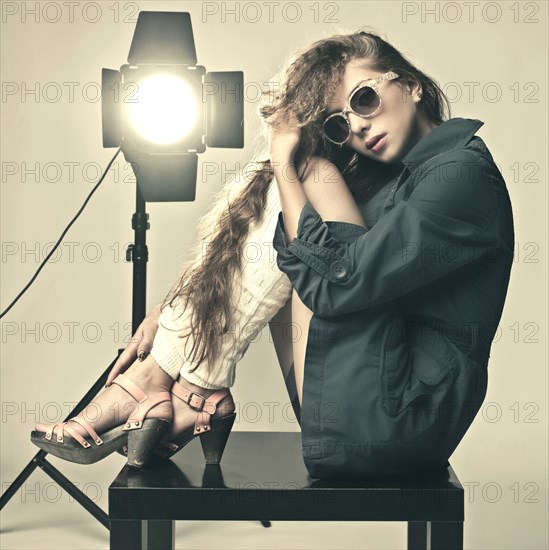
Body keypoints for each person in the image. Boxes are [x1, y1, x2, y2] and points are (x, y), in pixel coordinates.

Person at [31, 29, 514, 477]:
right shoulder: (390, 177)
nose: (360, 128)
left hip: (401, 417)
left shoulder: (461, 175)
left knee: (304, 176)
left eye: (364, 100)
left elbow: (342, 282)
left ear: (409, 85)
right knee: (283, 185)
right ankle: (185, 383)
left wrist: (287, 160)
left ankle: (172, 386)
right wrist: (181, 302)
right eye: (340, 124)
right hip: (359, 395)